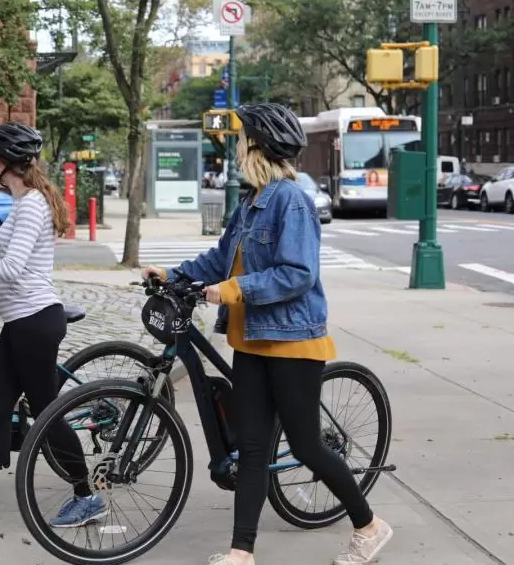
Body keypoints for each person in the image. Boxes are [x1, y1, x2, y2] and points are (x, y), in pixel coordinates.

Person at [142, 103, 392, 565]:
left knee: (305, 445)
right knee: (253, 447)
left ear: (256, 144)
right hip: (251, 341)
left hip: (293, 341)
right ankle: (242, 552)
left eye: (242, 139)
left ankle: (370, 526)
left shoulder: (290, 199)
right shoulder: (251, 200)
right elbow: (220, 259)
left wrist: (232, 291)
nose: (237, 146)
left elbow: (296, 273)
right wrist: (174, 272)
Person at [0, 122, 100, 528]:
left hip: (35, 321)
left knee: (47, 414)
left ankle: (86, 496)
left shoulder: (31, 206)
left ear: (2, 161)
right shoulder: (25, 201)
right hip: (19, 322)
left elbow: (13, 267)